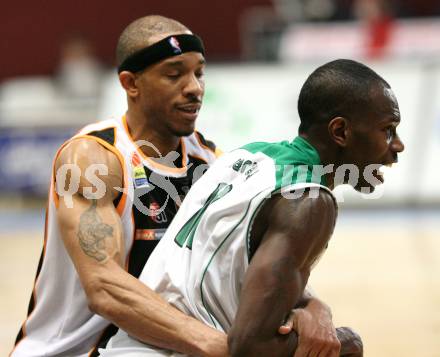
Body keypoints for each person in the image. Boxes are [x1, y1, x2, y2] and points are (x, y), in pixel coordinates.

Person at [11, 15, 342, 357]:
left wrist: (314, 307)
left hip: (153, 349)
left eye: (199, 72)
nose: (194, 87)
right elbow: (104, 288)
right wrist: (216, 346)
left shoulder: (215, 163)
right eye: (174, 74)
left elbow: (262, 260)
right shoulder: (93, 159)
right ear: (131, 83)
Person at [101, 59, 404, 356]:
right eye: (388, 130)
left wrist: (311, 306)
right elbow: (250, 347)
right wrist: (349, 343)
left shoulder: (245, 156)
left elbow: (237, 268)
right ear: (340, 132)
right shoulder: (310, 201)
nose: (398, 145)